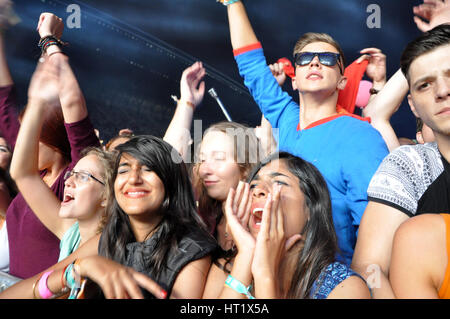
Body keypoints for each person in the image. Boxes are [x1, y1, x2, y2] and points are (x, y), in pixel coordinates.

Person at [221, 0, 388, 265]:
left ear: (342, 80)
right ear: (295, 78)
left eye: (328, 59)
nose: (315, 63)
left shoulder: (362, 137)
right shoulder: (286, 118)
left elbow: (376, 228)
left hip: (330, 278)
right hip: (278, 272)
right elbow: (252, 67)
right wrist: (233, 4)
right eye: (305, 59)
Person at [0, 135, 217, 299]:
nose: (133, 178)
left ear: (171, 185)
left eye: (147, 169)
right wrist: (75, 270)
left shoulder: (192, 251)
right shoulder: (110, 238)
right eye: (123, 170)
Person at [351, 23, 450, 299]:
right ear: (414, 105)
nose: (442, 90)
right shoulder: (410, 166)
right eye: (425, 84)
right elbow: (369, 266)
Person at [0, 13, 100, 279]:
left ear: (55, 140)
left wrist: (49, 41)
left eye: (32, 134)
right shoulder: (34, 174)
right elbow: (4, 103)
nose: (22, 142)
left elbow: (73, 105)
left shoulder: (74, 179)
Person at [214, 151, 370, 299]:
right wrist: (246, 255)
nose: (258, 191)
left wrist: (265, 275)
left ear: (311, 208)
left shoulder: (345, 287)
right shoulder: (226, 270)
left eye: (279, 182)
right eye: (253, 186)